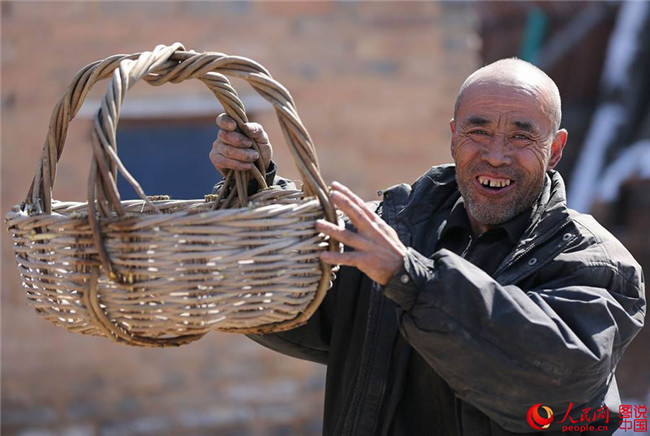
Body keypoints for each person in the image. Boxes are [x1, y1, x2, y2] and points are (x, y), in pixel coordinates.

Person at [209, 58, 645, 436]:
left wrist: (411, 280)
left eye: (520, 136)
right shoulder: (392, 228)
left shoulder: (595, 263)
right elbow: (297, 305)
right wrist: (257, 185)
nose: (496, 155)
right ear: (454, 136)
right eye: (478, 130)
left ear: (555, 150)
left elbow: (555, 380)